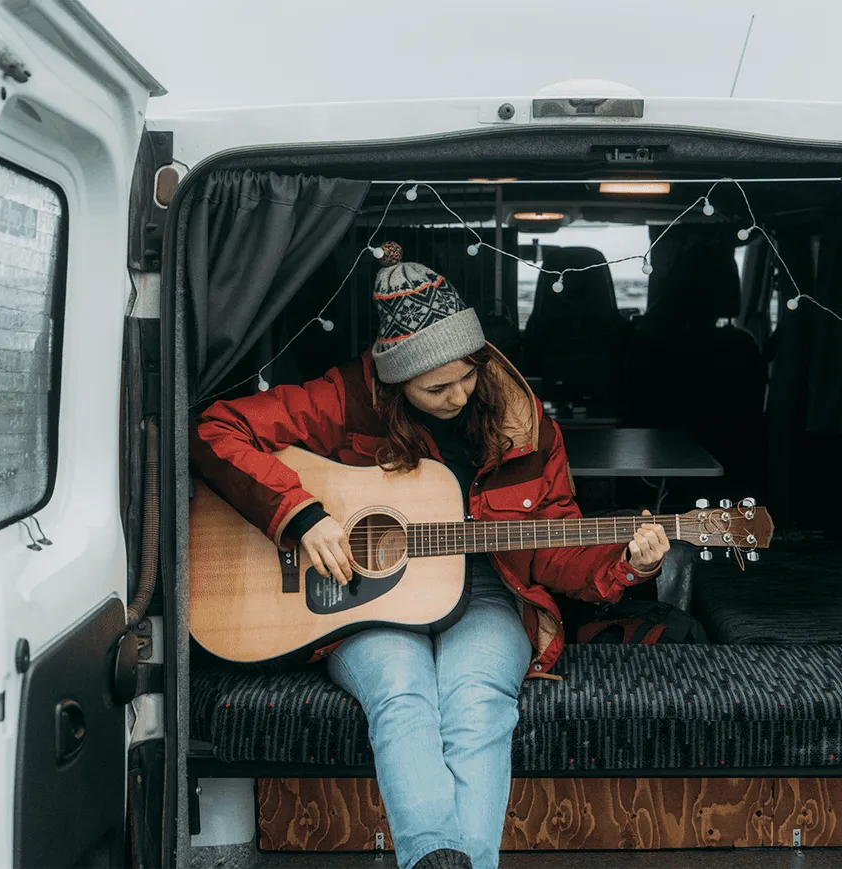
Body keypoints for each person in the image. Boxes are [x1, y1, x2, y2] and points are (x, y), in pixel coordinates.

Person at [190, 242, 669, 869]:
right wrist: (300, 515)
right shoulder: (343, 400)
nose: (458, 395)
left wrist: (630, 565)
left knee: (478, 701)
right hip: (362, 598)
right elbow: (212, 429)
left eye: (468, 374)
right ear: (392, 379)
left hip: (490, 589)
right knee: (400, 689)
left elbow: (554, 546)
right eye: (435, 386)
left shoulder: (526, 427)